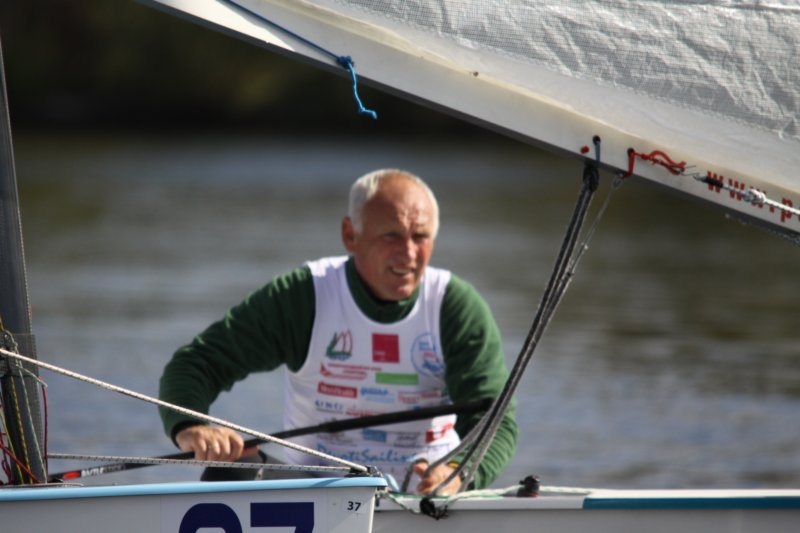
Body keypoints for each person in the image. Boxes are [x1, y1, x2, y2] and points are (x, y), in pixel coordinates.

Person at [158, 168, 518, 495]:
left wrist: (457, 473)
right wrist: (191, 426)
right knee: (231, 468)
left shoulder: (455, 307)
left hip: (428, 495)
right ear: (350, 235)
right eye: (391, 236)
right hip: (316, 491)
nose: (408, 253)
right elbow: (197, 364)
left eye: (420, 236)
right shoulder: (304, 297)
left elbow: (496, 420)